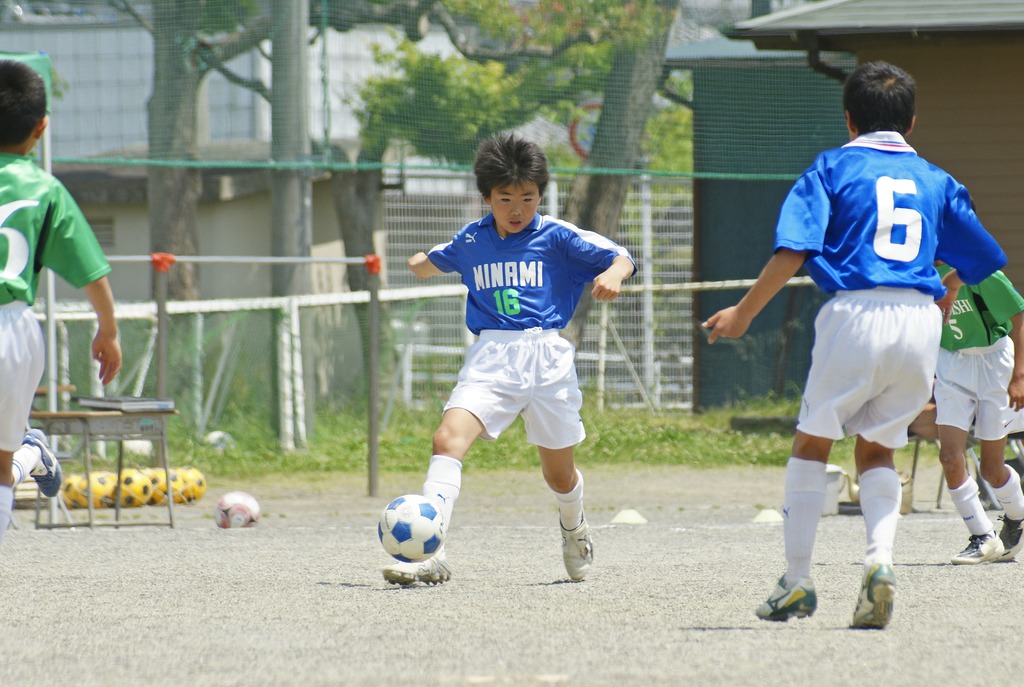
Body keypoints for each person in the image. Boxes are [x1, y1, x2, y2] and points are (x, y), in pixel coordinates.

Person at [702, 61, 1006, 629]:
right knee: (877, 449)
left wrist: (743, 313)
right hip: (919, 321)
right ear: (911, 123)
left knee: (813, 442)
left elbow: (792, 249)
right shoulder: (938, 180)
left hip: (855, 311)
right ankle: (880, 563)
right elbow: (985, 259)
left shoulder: (832, 166)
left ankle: (796, 581)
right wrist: (939, 291)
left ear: (849, 119)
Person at [382, 133, 636, 586]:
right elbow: (434, 259)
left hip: (548, 358)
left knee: (559, 475)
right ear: (486, 198)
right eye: (505, 198)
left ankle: (574, 527)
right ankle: (428, 549)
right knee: (447, 440)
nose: (517, 208)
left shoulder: (557, 236)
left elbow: (619, 256)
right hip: (492, 357)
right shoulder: (472, 240)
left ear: (541, 195)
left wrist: (615, 273)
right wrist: (418, 262)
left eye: (528, 197)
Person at [0, 60, 122, 545]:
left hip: (9, 320)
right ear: (41, 128)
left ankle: (25, 451)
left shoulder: (46, 189)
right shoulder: (45, 188)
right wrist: (108, 332)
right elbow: (92, 272)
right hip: (13, 332)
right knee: (1, 464)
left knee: (0, 463)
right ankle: (30, 451)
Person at [931, 262, 1024, 564]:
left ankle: (1018, 517)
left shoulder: (978, 270)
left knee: (991, 470)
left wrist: (1019, 375)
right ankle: (983, 535)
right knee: (949, 456)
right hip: (951, 362)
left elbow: (1019, 317)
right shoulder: (916, 269)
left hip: (993, 361)